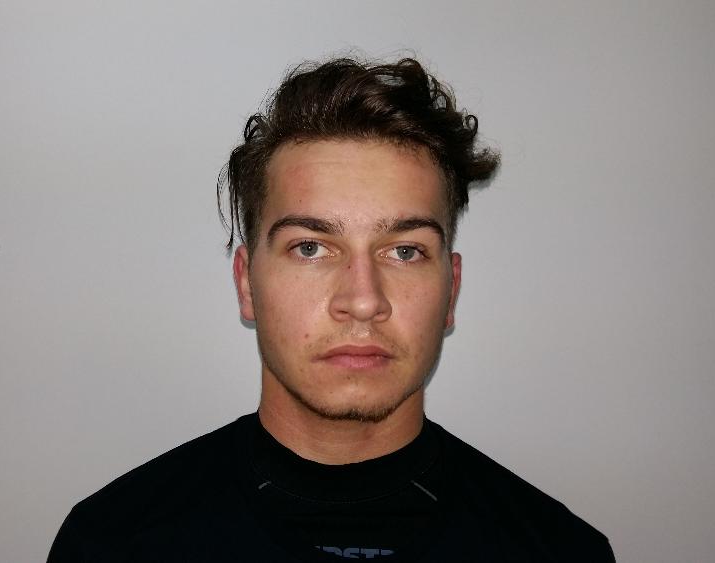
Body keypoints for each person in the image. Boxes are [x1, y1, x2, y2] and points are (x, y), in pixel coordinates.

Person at [47, 56, 614, 562]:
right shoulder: (111, 545)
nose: (363, 301)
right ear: (247, 284)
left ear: (451, 290)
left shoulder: (562, 552)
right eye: (311, 248)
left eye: (405, 251)